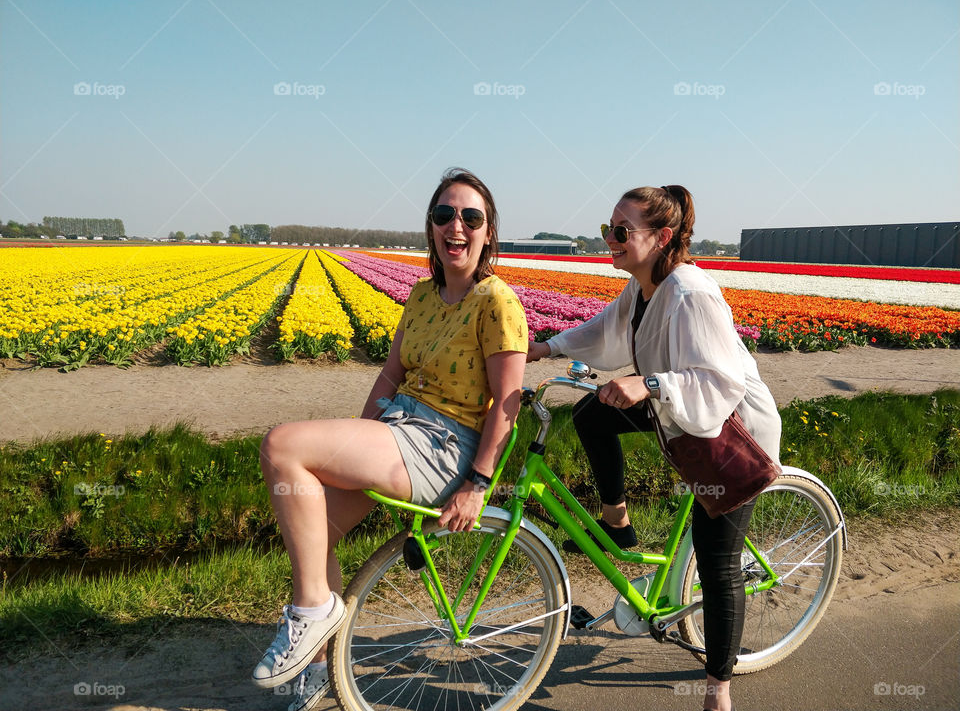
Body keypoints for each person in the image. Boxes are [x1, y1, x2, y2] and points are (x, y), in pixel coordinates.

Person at [253, 168, 528, 711]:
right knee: (315, 534)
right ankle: (317, 672)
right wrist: (360, 436)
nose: (457, 226)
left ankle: (314, 612)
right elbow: (389, 376)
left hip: (445, 446)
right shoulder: (423, 295)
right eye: (444, 214)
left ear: (489, 232)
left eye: (471, 217)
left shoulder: (498, 303)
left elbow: (508, 405)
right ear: (430, 227)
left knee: (280, 445)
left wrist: (477, 485)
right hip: (397, 428)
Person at [527, 185, 780, 711]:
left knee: (717, 563)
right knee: (592, 411)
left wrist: (649, 384)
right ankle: (619, 524)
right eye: (607, 230)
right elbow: (607, 331)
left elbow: (719, 380)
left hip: (732, 429)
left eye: (622, 232)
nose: (610, 240)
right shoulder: (643, 288)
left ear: (662, 237)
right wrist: (546, 346)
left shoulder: (692, 293)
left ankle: (718, 689)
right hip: (681, 407)